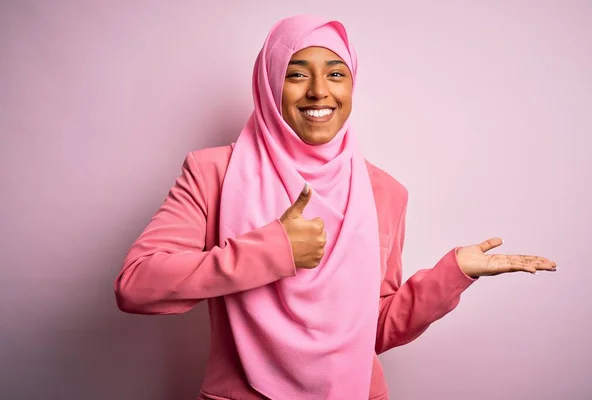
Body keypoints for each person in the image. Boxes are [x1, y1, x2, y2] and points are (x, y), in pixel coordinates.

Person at [114, 15, 556, 400]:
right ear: (270, 83)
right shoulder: (214, 172)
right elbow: (136, 285)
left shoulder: (383, 191)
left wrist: (452, 275)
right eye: (297, 74)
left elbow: (373, 330)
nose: (319, 92)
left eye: (336, 74)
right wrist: (271, 251)